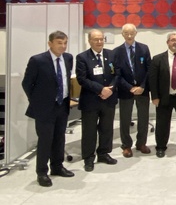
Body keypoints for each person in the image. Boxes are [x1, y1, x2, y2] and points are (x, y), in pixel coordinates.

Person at [22, 30, 75, 187]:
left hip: (62, 105)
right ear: (50, 43)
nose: (63, 46)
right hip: (45, 108)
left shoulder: (68, 58)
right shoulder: (38, 60)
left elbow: (66, 79)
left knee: (60, 138)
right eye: (59, 43)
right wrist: (38, 102)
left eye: (65, 43)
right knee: (45, 140)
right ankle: (42, 172)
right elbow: (27, 84)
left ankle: (57, 167)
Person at [76, 29, 122, 172]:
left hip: (109, 99)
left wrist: (111, 89)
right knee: (89, 130)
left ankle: (103, 153)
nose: (99, 42)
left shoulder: (111, 54)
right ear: (89, 41)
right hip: (91, 100)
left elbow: (118, 74)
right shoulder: (82, 57)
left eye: (101, 39)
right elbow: (82, 79)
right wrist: (100, 89)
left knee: (106, 128)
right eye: (96, 39)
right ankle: (89, 158)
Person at [114, 23, 152, 158]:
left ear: (136, 33)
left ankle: (141, 143)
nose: (129, 36)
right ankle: (126, 145)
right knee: (125, 119)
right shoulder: (117, 52)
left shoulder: (144, 49)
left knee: (143, 118)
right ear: (122, 34)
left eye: (131, 33)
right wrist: (130, 87)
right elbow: (117, 74)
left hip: (142, 90)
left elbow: (149, 70)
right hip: (126, 90)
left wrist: (142, 86)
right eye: (126, 33)